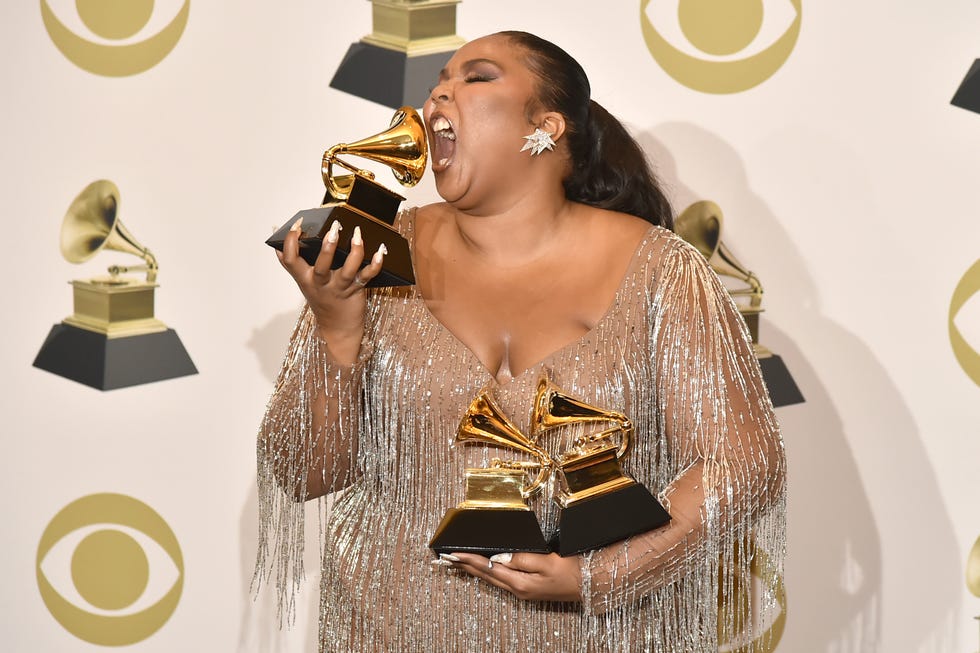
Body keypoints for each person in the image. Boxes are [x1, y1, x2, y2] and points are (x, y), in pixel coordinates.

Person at [255, 30, 786, 652]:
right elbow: (302, 471)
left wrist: (600, 576)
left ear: (548, 125)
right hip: (391, 628)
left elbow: (744, 463)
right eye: (436, 85)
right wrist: (336, 325)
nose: (438, 97)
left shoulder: (661, 268)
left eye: (475, 77)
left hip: (600, 637)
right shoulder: (375, 252)